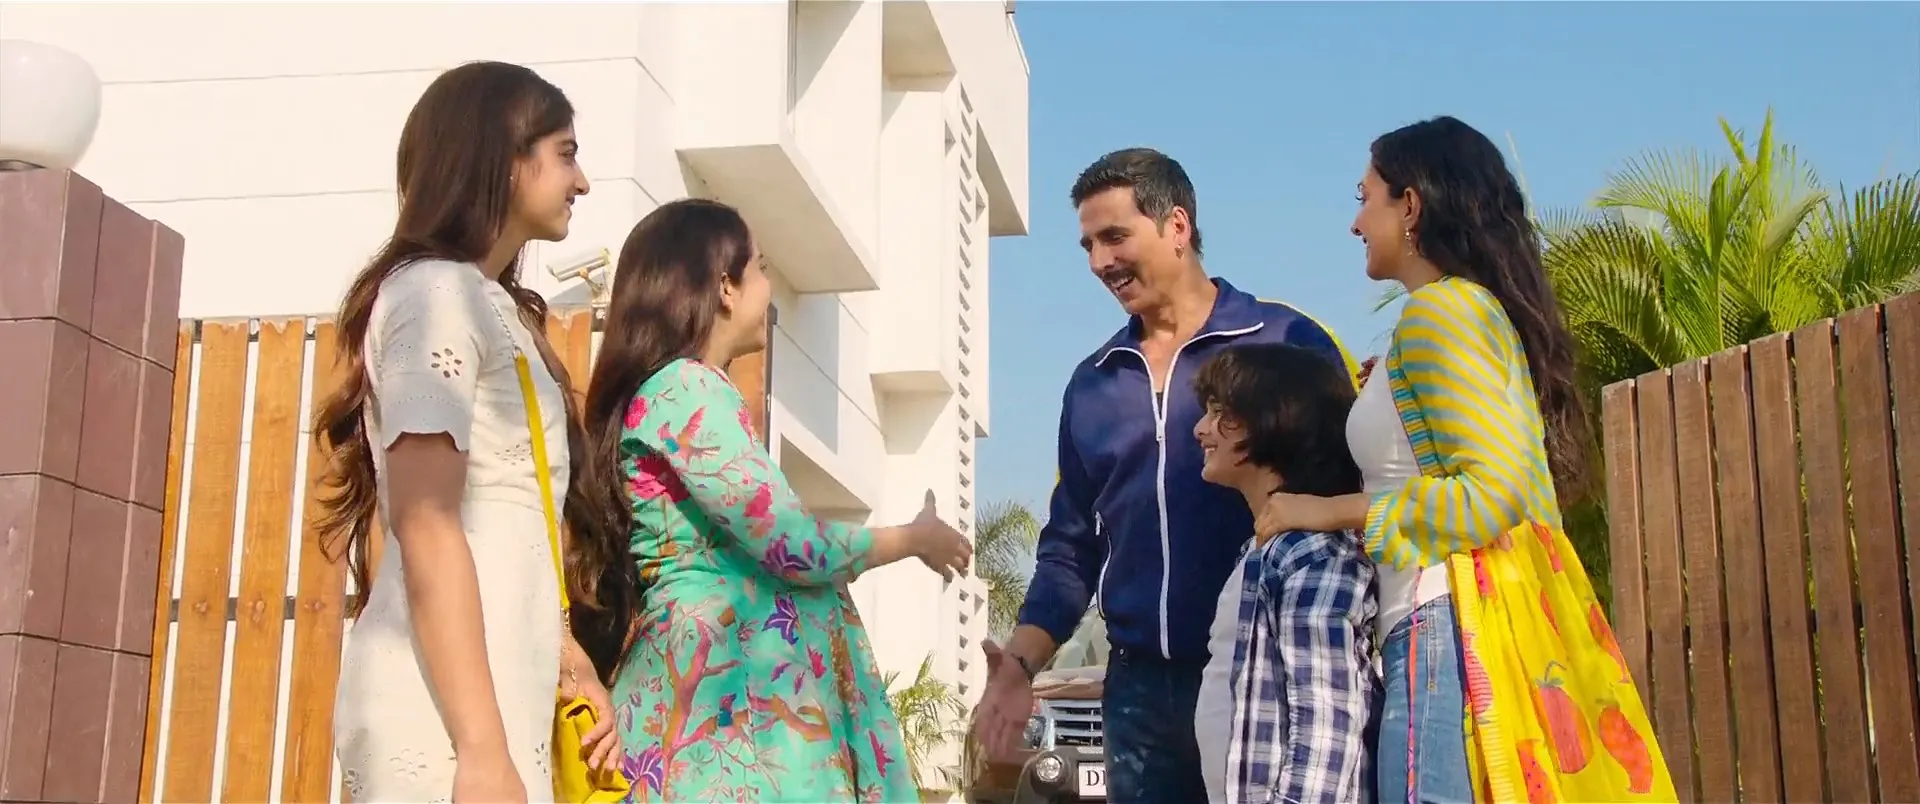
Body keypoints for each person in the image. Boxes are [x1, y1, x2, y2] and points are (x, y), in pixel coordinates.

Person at [1257, 115, 1675, 803]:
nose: (1356, 222)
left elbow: (1491, 492)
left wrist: (1325, 511)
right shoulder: (1462, 314)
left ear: (1411, 205)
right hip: (1456, 628)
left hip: (1446, 627)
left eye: (1365, 197)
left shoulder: (1440, 314)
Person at [973, 147, 1361, 802]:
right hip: (1139, 698)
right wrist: (1018, 666)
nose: (1099, 262)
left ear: (1177, 226)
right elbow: (1069, 549)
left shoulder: (1289, 341)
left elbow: (1352, 492)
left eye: (1114, 236)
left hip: (1265, 669)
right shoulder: (1092, 385)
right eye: (1088, 245)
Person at [564, 198, 975, 803]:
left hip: (714, 689)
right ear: (724, 288)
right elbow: (793, 546)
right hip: (727, 706)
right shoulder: (688, 388)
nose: (768, 284)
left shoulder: (681, 392)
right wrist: (913, 540)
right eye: (759, 267)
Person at [320, 61, 619, 803]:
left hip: (491, 709)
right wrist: (482, 751)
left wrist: (568, 660)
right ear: (504, 159)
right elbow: (425, 523)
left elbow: (512, 517)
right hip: (445, 725)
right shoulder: (433, 294)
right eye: (566, 154)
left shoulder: (493, 306)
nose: (582, 183)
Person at [1189, 344, 1379, 804]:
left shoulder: (1309, 554)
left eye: (1220, 413)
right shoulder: (1262, 553)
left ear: (1275, 420)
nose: (1201, 429)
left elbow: (1326, 721)